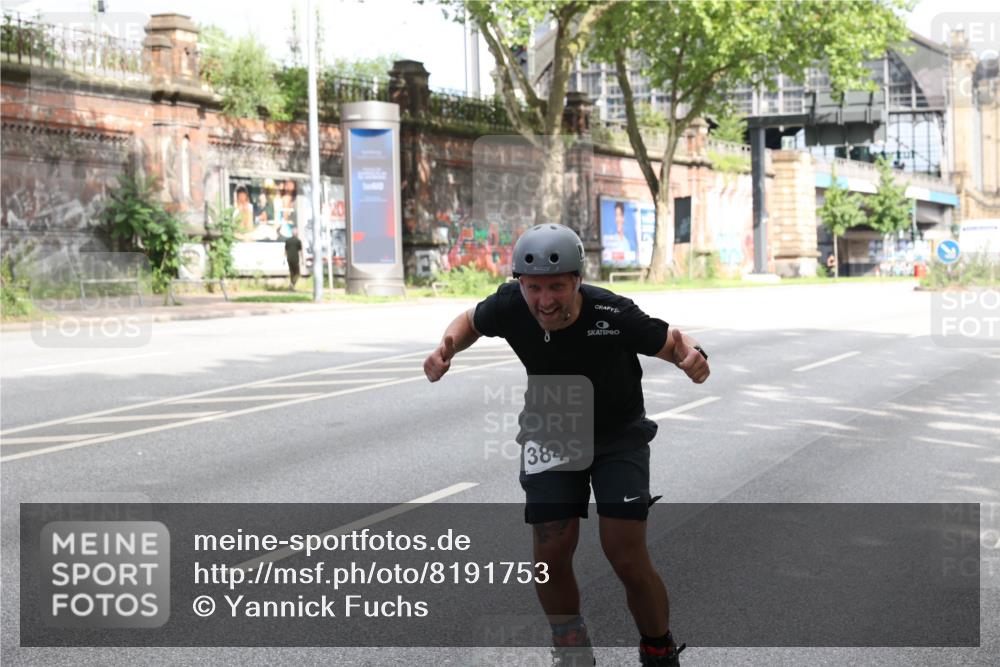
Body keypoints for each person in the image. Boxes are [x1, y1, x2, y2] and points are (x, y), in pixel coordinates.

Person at [423, 224, 709, 666]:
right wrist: (447, 348)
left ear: (577, 280)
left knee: (625, 553)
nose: (545, 300)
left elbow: (670, 339)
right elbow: (470, 321)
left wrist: (692, 356)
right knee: (550, 552)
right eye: (534, 287)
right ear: (521, 283)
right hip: (552, 429)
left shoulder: (611, 312)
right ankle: (572, 651)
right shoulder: (509, 305)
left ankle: (658, 647)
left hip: (618, 436)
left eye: (557, 286)